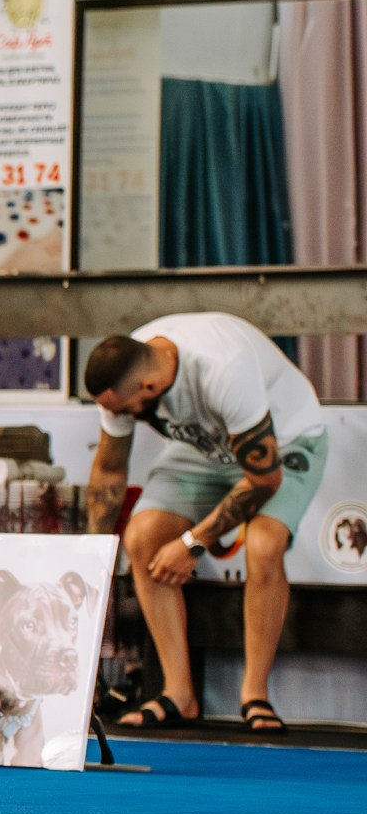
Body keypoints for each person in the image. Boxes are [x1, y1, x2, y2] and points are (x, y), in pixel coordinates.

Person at [85, 312, 328, 735]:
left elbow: (264, 478)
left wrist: (194, 542)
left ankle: (255, 695)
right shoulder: (126, 365)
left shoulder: (222, 368)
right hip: (205, 448)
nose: (125, 417)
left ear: (150, 388)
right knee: (142, 537)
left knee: (264, 544)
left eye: (129, 411)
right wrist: (90, 557)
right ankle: (179, 693)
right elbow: (109, 470)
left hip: (283, 441)